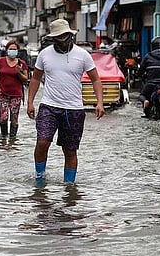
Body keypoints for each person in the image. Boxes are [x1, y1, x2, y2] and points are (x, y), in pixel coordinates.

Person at [27, 19, 105, 186]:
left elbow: (96, 79)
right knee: (42, 142)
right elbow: (35, 79)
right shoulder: (44, 54)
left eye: (65, 36)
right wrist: (30, 102)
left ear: (71, 35)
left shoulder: (83, 55)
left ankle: (69, 187)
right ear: (53, 38)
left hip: (74, 109)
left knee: (70, 150)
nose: (62, 40)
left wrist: (100, 102)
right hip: (49, 105)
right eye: (58, 37)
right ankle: (39, 177)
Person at [0, 40, 28, 139]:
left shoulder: (22, 63)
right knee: (3, 118)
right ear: (7, 50)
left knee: (14, 118)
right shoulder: (0, 61)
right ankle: (3, 138)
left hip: (16, 95)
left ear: (18, 51)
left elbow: (26, 79)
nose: (12, 51)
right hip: (3, 94)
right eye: (10, 49)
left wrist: (19, 72)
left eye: (14, 49)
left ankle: (12, 140)